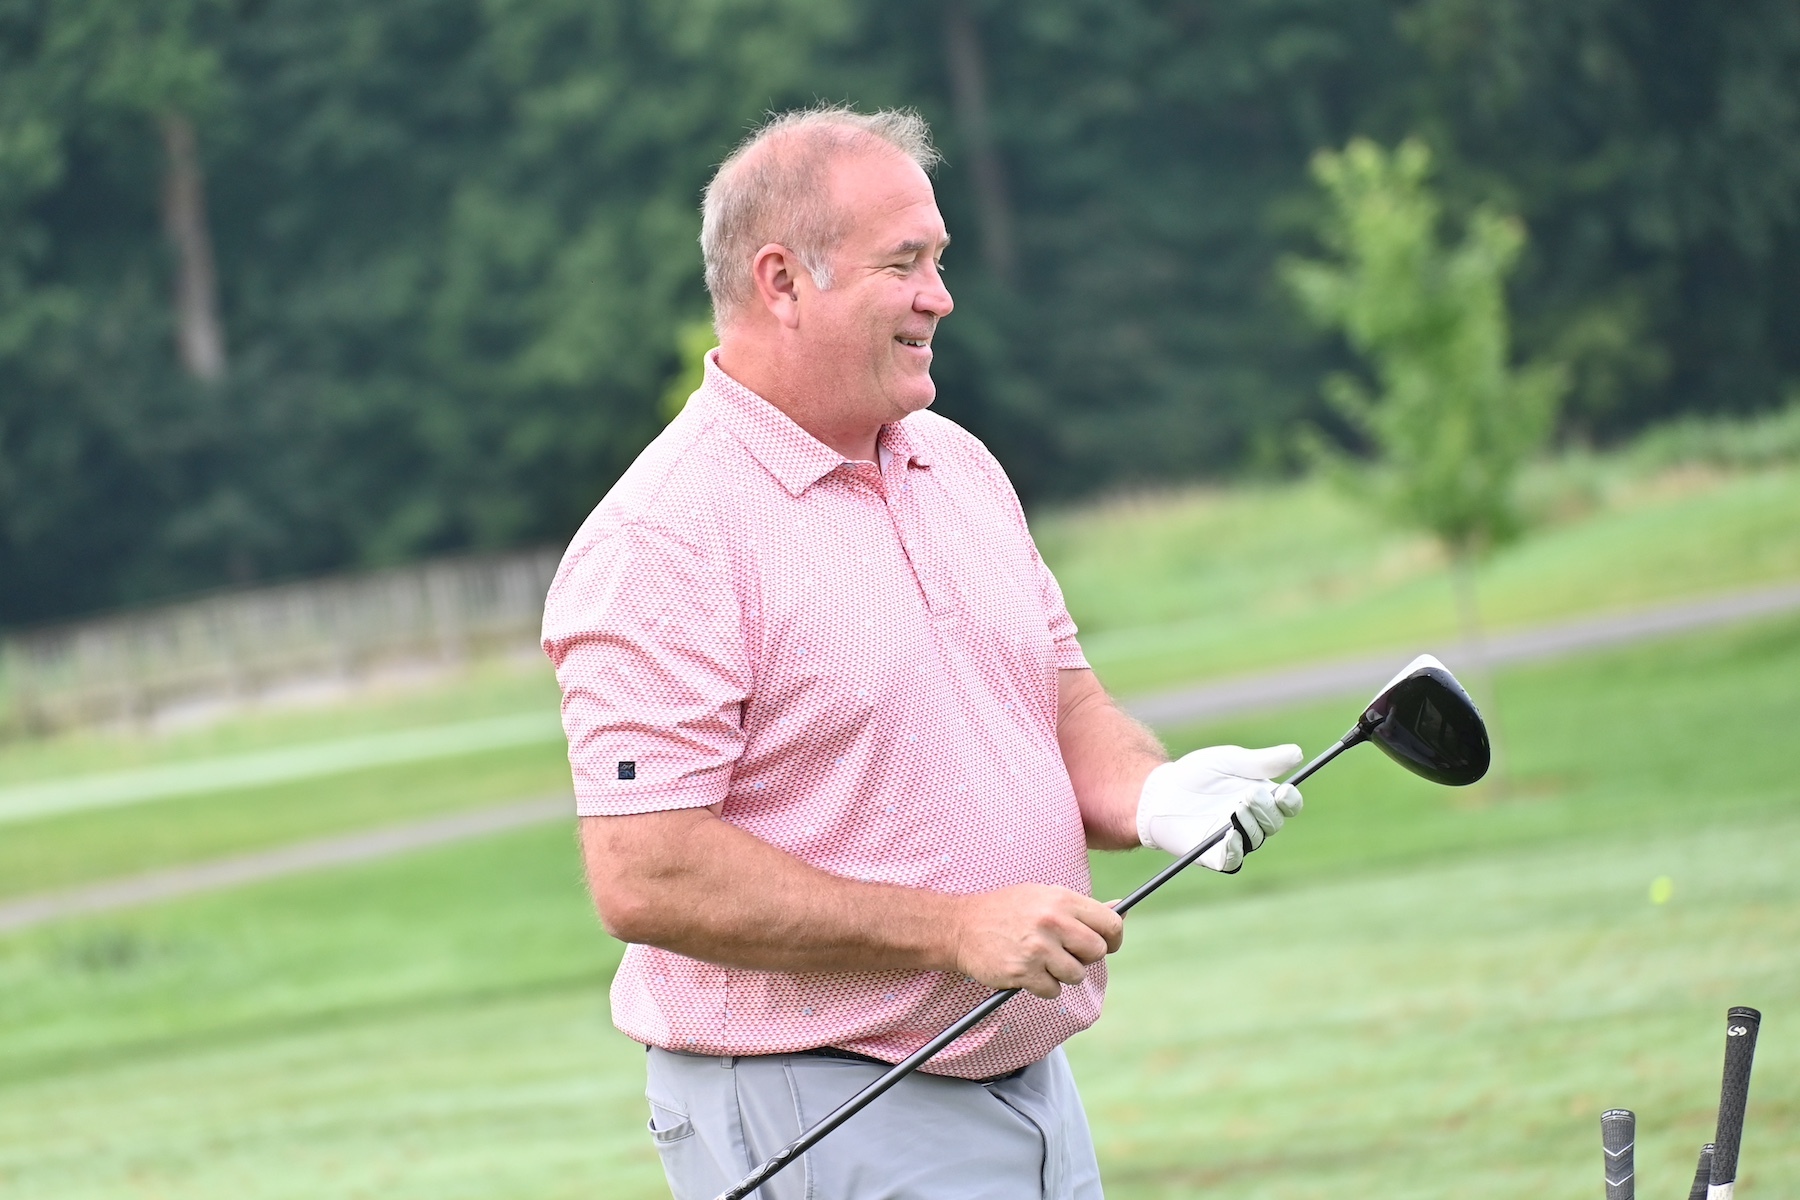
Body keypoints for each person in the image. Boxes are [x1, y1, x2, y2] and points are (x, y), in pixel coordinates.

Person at [541, 105, 1304, 1200]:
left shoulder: (956, 466)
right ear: (782, 281)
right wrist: (954, 930)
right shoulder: (663, 539)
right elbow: (647, 871)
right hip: (819, 1099)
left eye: (938, 261)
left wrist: (1154, 793)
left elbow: (1060, 709)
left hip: (1024, 1079)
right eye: (904, 264)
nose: (939, 296)